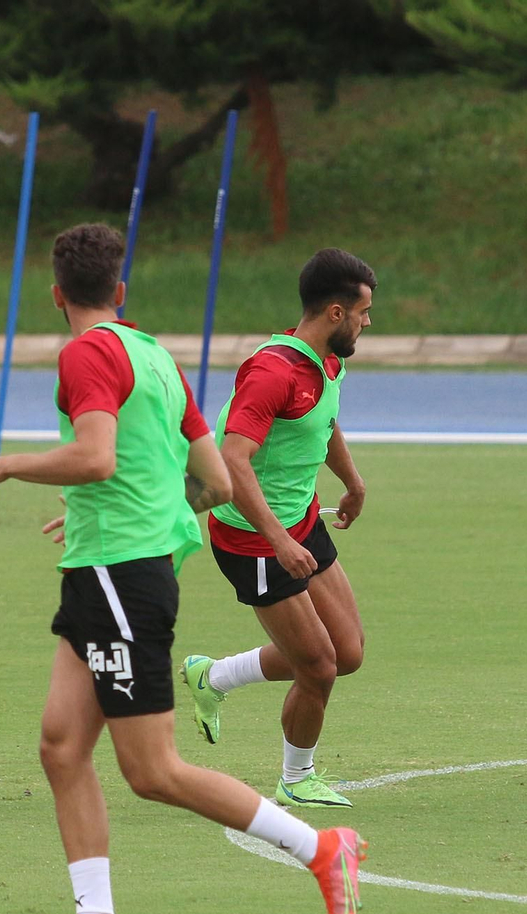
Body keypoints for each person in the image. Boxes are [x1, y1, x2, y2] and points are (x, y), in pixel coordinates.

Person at [0, 224, 366, 914]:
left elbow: (94, 455)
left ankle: (321, 848)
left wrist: (8, 464)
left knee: (151, 770)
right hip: (105, 565)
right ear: (119, 292)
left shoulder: (84, 352)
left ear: (57, 296)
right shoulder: (154, 355)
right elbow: (214, 482)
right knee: (61, 745)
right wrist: (128, 506)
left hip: (121, 573)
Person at [180, 249, 374, 810]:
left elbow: (325, 423)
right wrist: (279, 541)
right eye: (363, 312)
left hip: (300, 520)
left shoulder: (327, 361)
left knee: (348, 651)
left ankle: (213, 676)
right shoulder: (273, 372)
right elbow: (233, 460)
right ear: (335, 312)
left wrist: (353, 483)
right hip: (252, 539)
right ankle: (297, 776)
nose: (368, 322)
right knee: (319, 665)